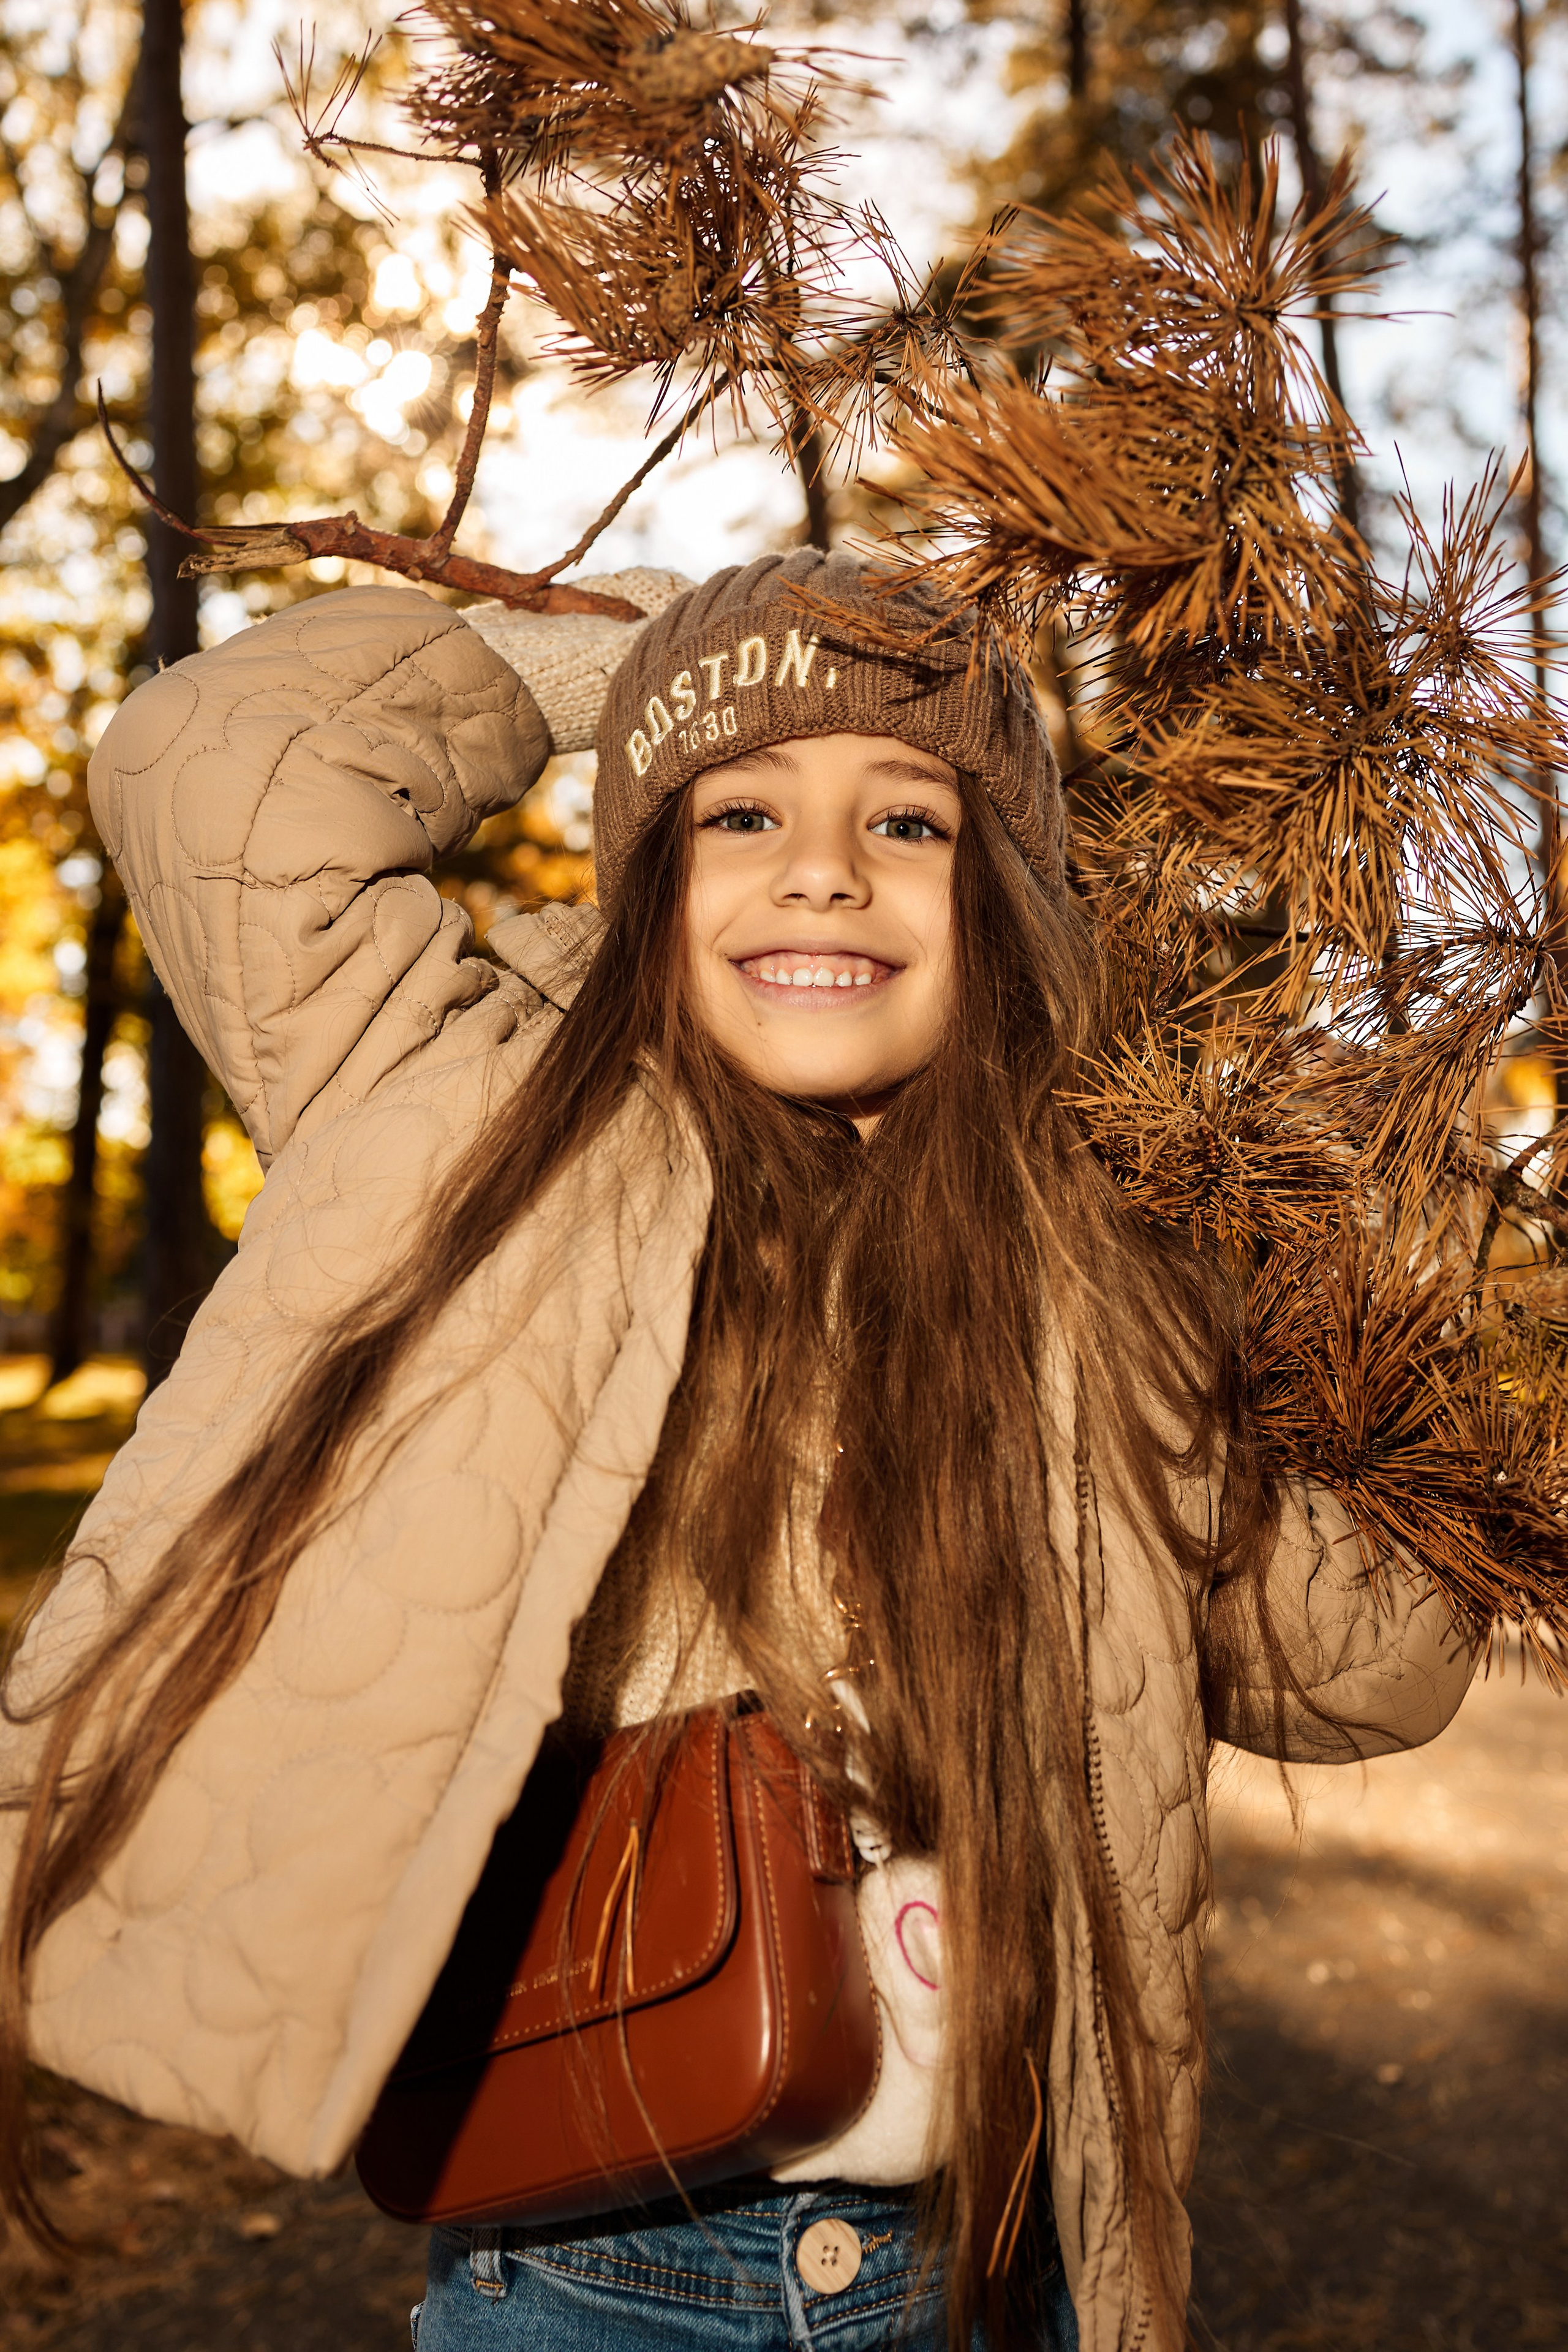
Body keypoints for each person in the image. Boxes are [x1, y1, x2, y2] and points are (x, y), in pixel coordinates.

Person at [0, 550, 1477, 2352]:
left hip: (1011, 2255)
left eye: (912, 822)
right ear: (650, 882)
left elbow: (1381, 1663)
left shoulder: (1093, 1284)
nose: (826, 867)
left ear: (1002, 907)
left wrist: (1327, 1277)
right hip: (609, 2268)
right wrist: (614, 666)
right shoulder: (464, 1108)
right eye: (743, 809)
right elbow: (216, 758)